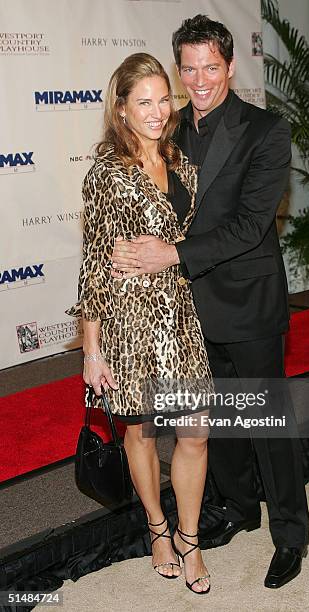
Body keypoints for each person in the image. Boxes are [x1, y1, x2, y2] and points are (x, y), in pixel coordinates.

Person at [110, 16, 309, 588]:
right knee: (212, 425)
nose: (199, 80)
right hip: (187, 310)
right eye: (189, 68)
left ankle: (290, 534)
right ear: (179, 69)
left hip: (246, 302)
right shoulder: (164, 131)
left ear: (230, 65)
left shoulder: (266, 129)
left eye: (211, 67)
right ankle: (239, 509)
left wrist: (172, 253)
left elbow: (251, 226)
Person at [66, 52, 212, 595]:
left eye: (162, 99)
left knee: (194, 431)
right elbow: (94, 263)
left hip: (179, 312)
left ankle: (190, 537)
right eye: (142, 102)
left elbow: (192, 237)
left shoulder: (183, 163)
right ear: (122, 109)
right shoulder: (107, 174)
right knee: (141, 432)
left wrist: (174, 249)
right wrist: (92, 350)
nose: (155, 111)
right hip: (128, 320)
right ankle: (156, 527)